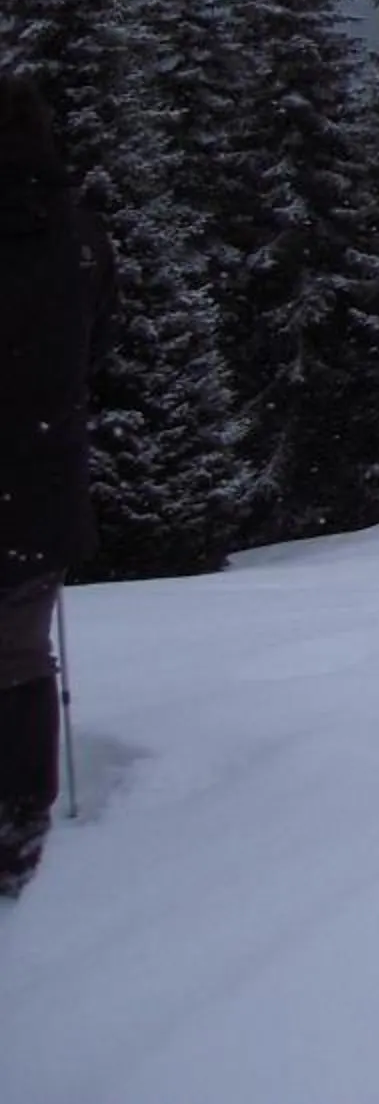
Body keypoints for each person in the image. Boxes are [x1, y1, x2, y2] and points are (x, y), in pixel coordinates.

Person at [0, 71, 109, 897]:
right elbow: (97, 346)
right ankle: (20, 811)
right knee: (20, 647)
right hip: (42, 473)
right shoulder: (77, 234)